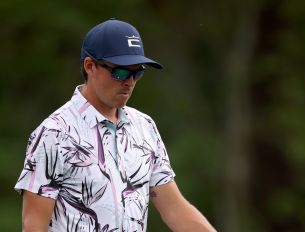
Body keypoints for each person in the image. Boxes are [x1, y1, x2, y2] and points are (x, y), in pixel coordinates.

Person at [15, 18, 217, 232]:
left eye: (137, 72)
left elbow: (176, 211)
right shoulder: (54, 134)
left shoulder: (144, 127)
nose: (129, 81)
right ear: (90, 66)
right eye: (120, 72)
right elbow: (33, 226)